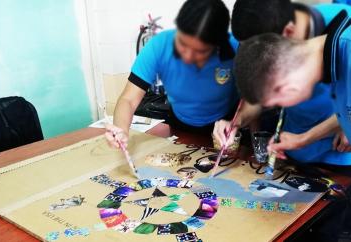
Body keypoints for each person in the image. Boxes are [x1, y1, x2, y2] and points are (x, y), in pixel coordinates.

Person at [213, 0, 351, 165]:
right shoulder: (258, 39)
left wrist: (344, 125)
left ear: (287, 33)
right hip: (294, 148)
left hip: (338, 153)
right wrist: (238, 121)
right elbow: (260, 93)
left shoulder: (344, 40)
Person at [105, 0, 239, 149]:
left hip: (227, 130)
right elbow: (128, 100)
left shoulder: (235, 48)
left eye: (199, 52)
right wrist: (121, 130)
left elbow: (252, 99)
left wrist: (237, 121)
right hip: (180, 127)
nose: (187, 57)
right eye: (183, 44)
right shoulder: (159, 46)